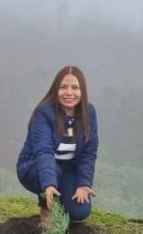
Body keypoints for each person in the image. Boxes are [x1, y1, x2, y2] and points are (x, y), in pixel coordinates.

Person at [16, 66, 99, 224]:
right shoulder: (44, 113)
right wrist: (48, 183)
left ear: (83, 91)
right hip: (34, 167)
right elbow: (44, 151)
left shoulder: (89, 112)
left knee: (80, 212)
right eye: (63, 87)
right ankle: (46, 206)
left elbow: (89, 152)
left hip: (67, 168)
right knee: (53, 171)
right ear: (56, 89)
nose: (69, 93)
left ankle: (60, 198)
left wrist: (83, 184)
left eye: (75, 87)